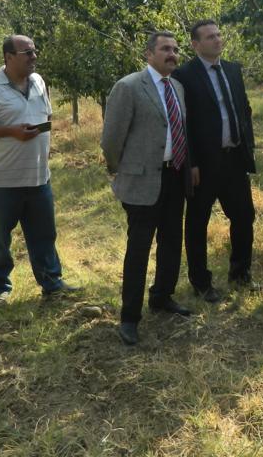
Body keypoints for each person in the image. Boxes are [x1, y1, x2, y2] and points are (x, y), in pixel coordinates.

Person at [0, 35, 78, 301]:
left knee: (44, 234)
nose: (34, 57)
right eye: (27, 53)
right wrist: (11, 132)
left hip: (39, 175)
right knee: (0, 238)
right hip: (3, 179)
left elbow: (46, 117)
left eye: (34, 51)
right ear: (8, 57)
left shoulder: (39, 81)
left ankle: (51, 283)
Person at [101, 31, 194, 345]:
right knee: (138, 249)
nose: (172, 54)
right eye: (165, 49)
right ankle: (129, 317)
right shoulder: (129, 87)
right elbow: (111, 139)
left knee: (171, 241)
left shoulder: (177, 87)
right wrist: (121, 170)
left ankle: (162, 296)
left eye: (175, 49)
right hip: (142, 180)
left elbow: (180, 131)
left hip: (173, 176)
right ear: (148, 54)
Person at [172, 19, 256, 301]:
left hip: (233, 159)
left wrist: (248, 147)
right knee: (197, 223)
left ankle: (241, 273)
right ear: (195, 45)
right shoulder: (184, 75)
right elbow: (183, 123)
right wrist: (191, 162)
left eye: (219, 35)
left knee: (244, 216)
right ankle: (201, 282)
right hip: (204, 164)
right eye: (210, 37)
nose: (217, 40)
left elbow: (243, 109)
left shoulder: (232, 70)